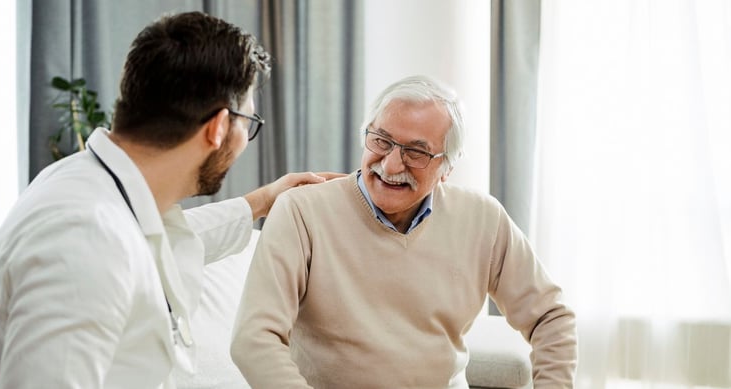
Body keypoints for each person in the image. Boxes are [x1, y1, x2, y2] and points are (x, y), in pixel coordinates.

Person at [0, 11, 338, 389]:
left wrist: (261, 202)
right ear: (219, 127)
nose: (245, 138)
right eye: (249, 124)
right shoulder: (85, 239)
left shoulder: (95, 188)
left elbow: (160, 236)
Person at [231, 75, 578, 388]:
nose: (391, 165)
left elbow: (551, 317)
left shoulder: (482, 218)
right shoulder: (301, 211)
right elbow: (254, 339)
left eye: (416, 152)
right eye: (381, 141)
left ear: (447, 167)